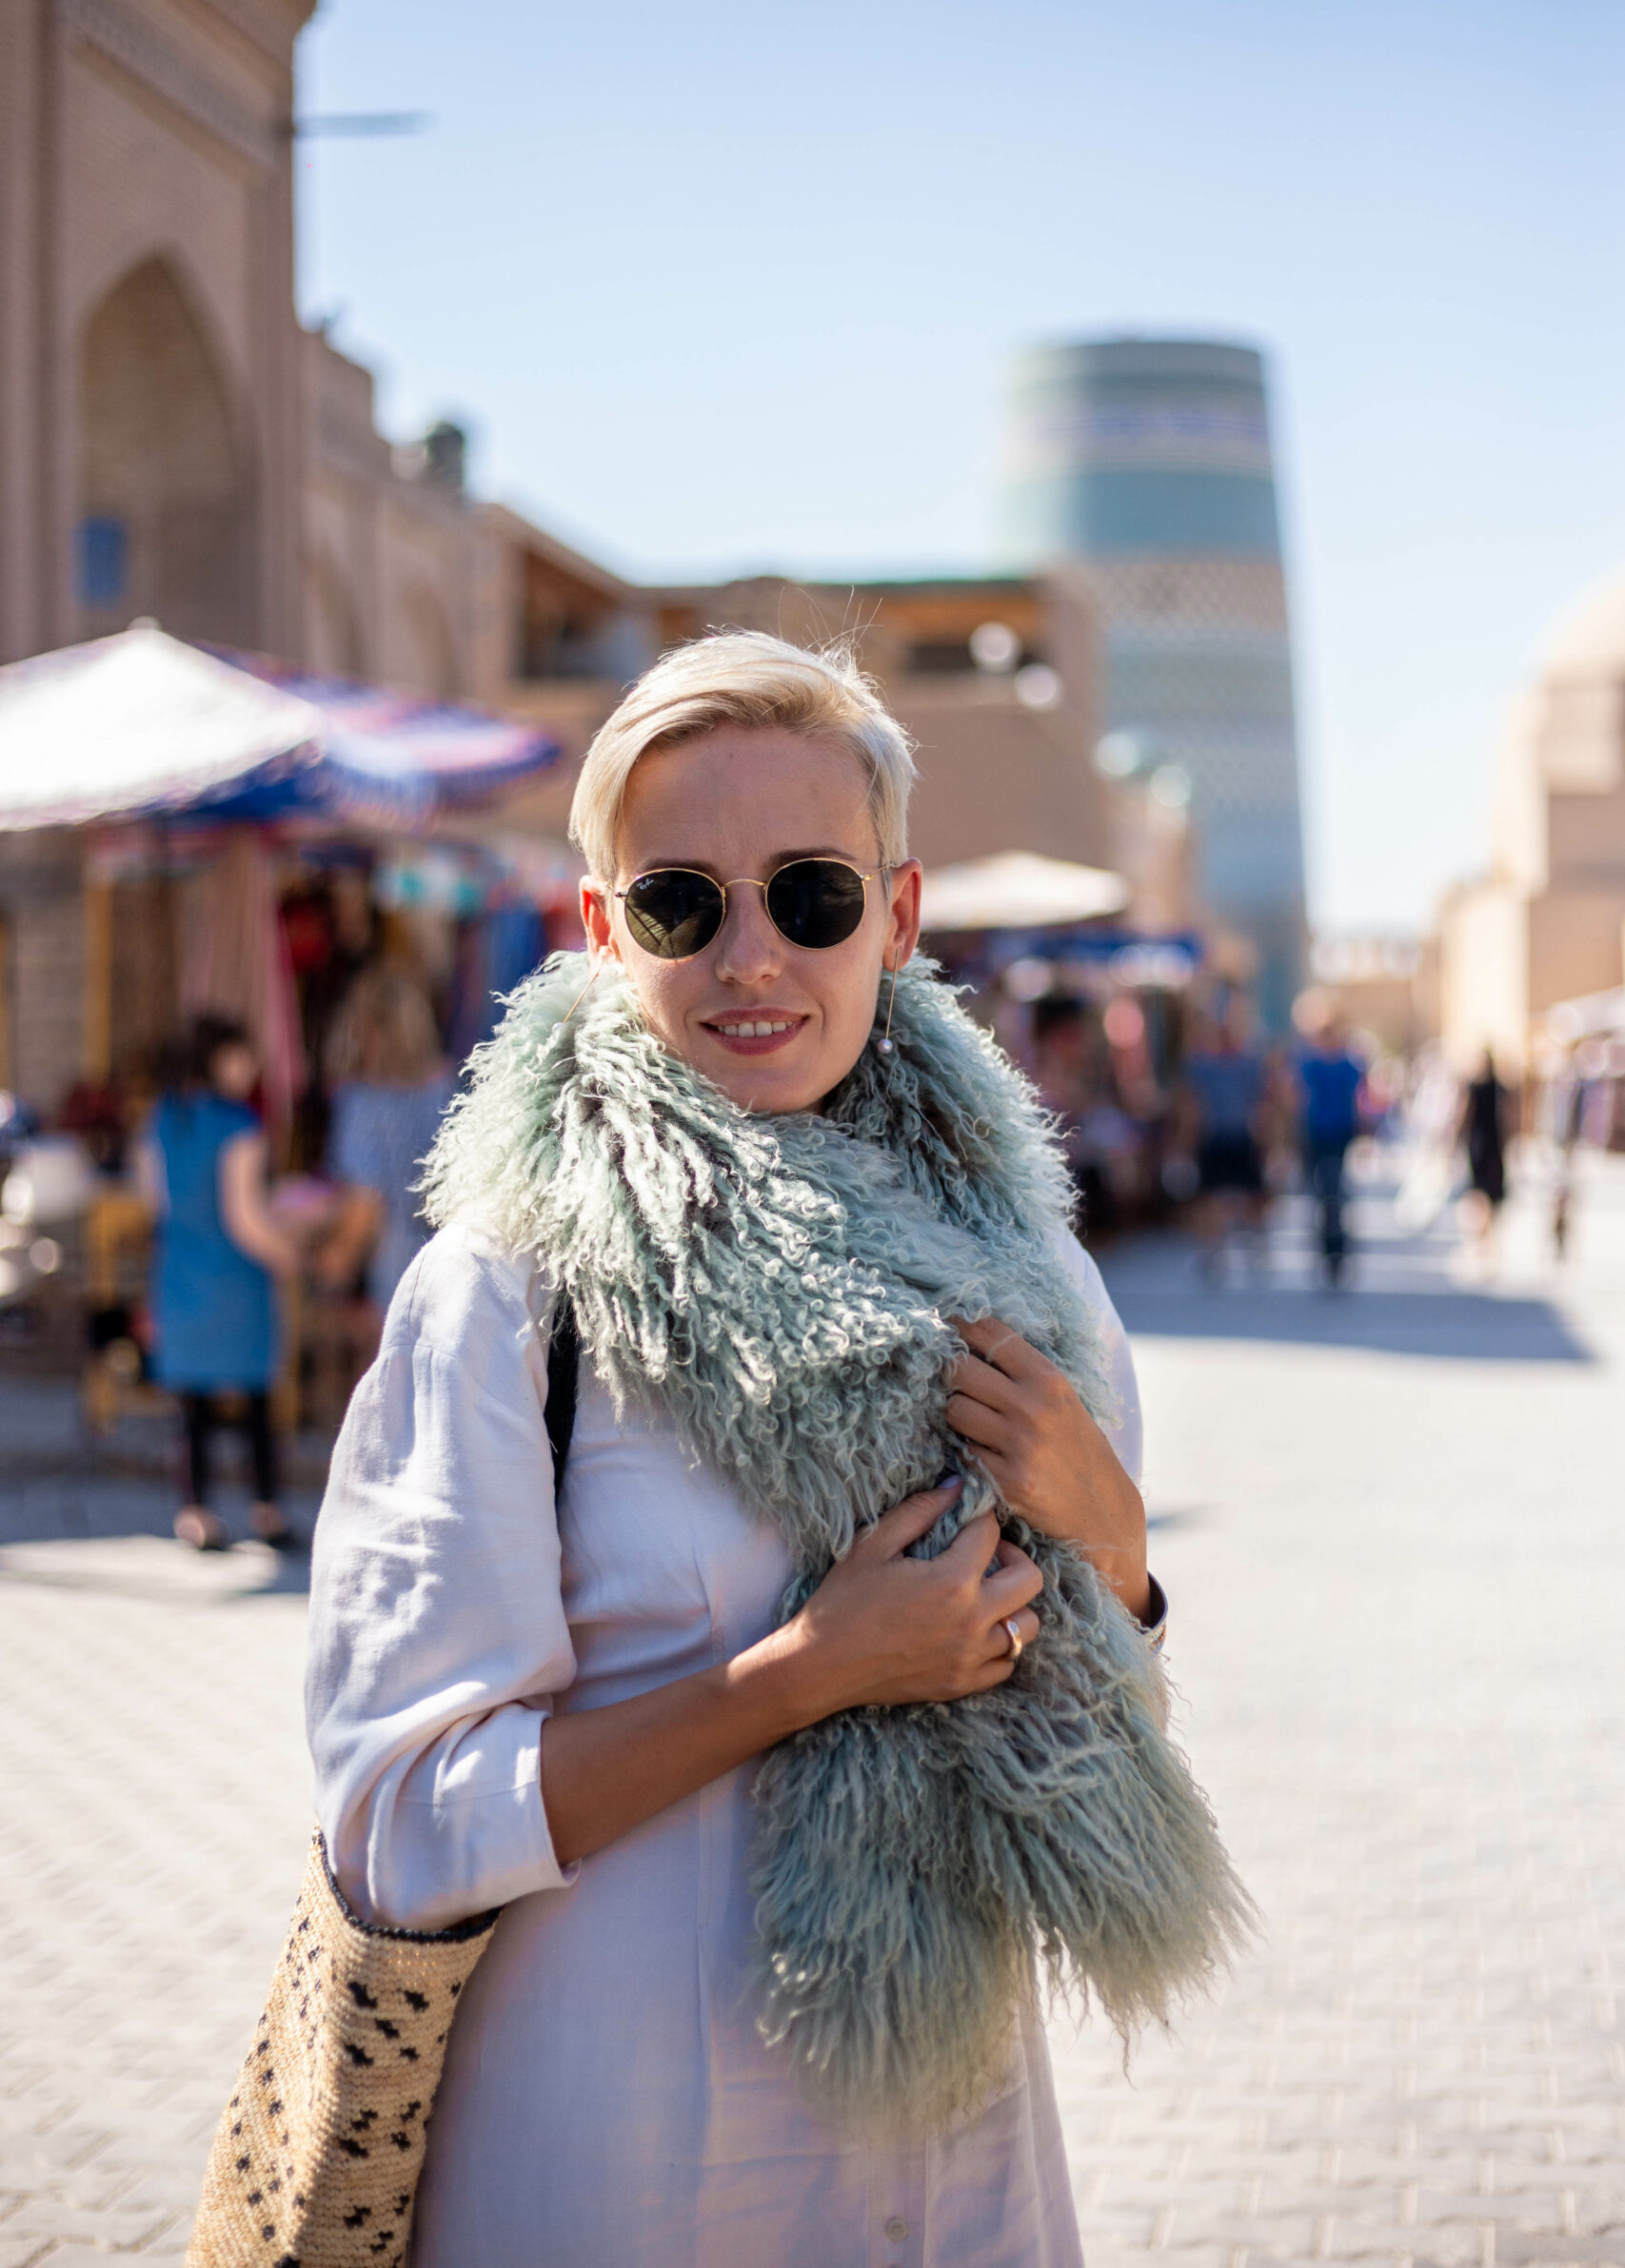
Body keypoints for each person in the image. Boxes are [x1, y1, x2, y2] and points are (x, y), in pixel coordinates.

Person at [306, 634, 1242, 2268]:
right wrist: (806, 1674)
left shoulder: (1026, 1272)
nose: (751, 959)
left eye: (809, 896)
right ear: (603, 930)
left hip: (951, 2180)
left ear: (897, 914)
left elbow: (1096, 1719)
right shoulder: (510, 1296)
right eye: (682, 904)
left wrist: (1114, 1543)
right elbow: (400, 1822)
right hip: (623, 2173)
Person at [137, 1014, 299, 1550]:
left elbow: (153, 1201)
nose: (252, 1065)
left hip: (179, 1274)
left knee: (194, 1407)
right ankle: (268, 1511)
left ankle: (196, 1515)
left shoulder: (162, 1118)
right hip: (235, 1281)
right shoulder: (239, 1126)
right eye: (243, 1054)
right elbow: (245, 1219)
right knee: (256, 1402)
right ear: (219, 1059)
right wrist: (293, 1257)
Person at [317, 964, 452, 1311]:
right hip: (453, 1272)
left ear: (369, 1031)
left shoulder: (362, 1101)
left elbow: (366, 1202)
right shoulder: (449, 1087)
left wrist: (332, 1264)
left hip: (395, 1280)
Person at [1180, 1001, 1271, 1277]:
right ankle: (1212, 1249)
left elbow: (1265, 1103)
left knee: (1254, 1195)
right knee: (1209, 1196)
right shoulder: (1200, 1066)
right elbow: (1190, 1105)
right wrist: (1185, 1142)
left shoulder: (1252, 1065)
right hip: (1213, 1137)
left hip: (1243, 1136)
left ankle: (1256, 1245)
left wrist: (1271, 1141)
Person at [1294, 1004, 1365, 1285]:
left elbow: (1358, 1099)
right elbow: (1297, 1098)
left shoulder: (1348, 1064)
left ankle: (1336, 1249)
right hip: (1313, 1134)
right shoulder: (1308, 1062)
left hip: (1339, 1134)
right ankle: (1325, 1247)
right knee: (1319, 1193)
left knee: (1335, 1193)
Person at [1459, 1047, 1512, 1264]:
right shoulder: (1483, 1087)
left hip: (1489, 1145)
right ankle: (1482, 1234)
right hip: (1485, 1144)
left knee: (1487, 1192)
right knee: (1482, 1192)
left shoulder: (1496, 1088)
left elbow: (1507, 1116)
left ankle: (1485, 1235)